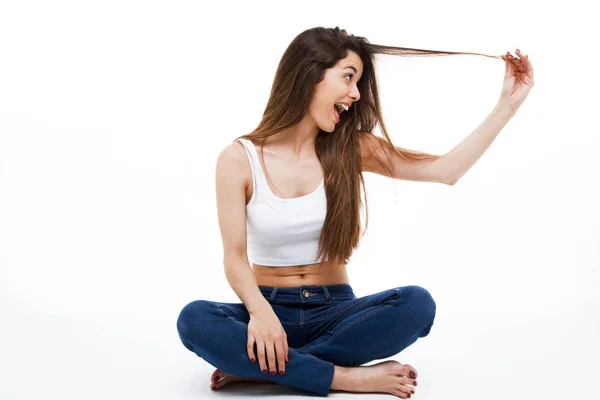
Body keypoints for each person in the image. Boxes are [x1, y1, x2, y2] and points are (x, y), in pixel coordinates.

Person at [176, 26, 534, 398]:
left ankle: (267, 369)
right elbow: (234, 258)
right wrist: (261, 316)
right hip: (267, 306)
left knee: (416, 305)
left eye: (358, 81)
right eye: (348, 77)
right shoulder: (238, 159)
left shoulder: (353, 147)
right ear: (310, 73)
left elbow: (445, 170)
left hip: (335, 313)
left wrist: (507, 106)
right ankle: (344, 377)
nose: (355, 94)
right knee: (194, 320)